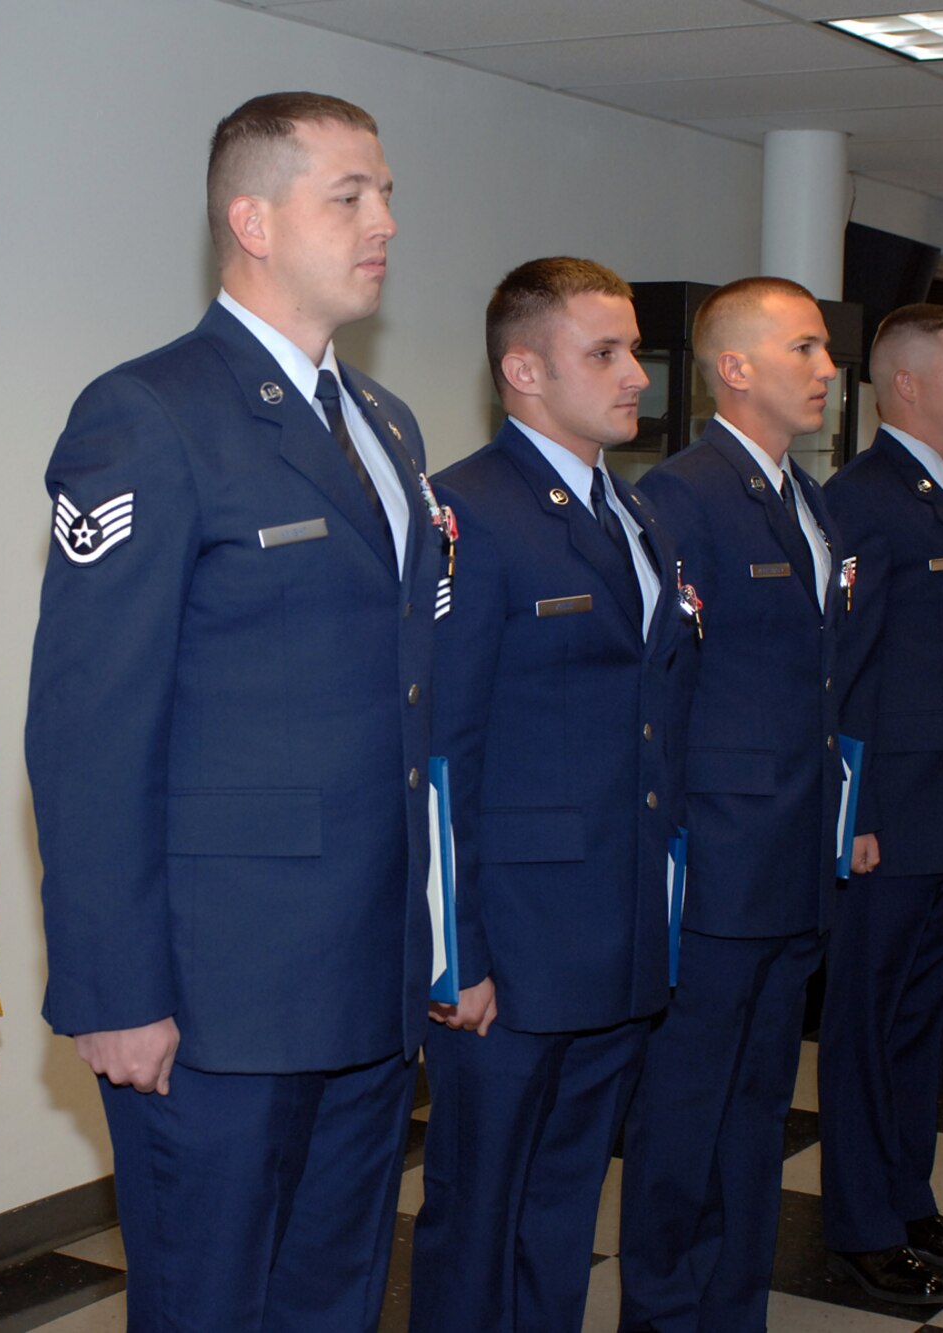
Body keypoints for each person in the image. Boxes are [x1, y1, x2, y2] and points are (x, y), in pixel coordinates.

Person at [26, 92, 443, 1330]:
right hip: (215, 992)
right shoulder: (145, 414)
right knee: (208, 1302)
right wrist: (110, 985)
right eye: (350, 196)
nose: (385, 223)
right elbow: (88, 725)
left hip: (363, 972)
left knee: (334, 1295)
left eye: (384, 194)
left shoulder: (384, 422)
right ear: (251, 219)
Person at [408, 258, 696, 1332]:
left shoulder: (631, 513)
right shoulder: (466, 514)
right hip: (512, 951)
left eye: (634, 352)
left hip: (613, 934)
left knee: (564, 1206)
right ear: (522, 368)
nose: (637, 378)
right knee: (477, 1213)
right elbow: (441, 748)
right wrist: (456, 953)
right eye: (605, 353)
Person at [616, 275, 846, 1333]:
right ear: (735, 367)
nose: (827, 372)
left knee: (756, 1117)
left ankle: (730, 1310)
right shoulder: (680, 495)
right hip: (714, 870)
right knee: (681, 1117)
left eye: (827, 352)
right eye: (803, 349)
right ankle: (664, 1312)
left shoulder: (801, 499)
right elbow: (661, 692)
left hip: (791, 864)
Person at [817, 303, 943, 1304]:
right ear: (904, 384)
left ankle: (907, 1202)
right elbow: (841, 674)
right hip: (886, 821)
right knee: (864, 1025)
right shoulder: (860, 499)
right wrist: (846, 813)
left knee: (919, 1023)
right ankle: (857, 1225)